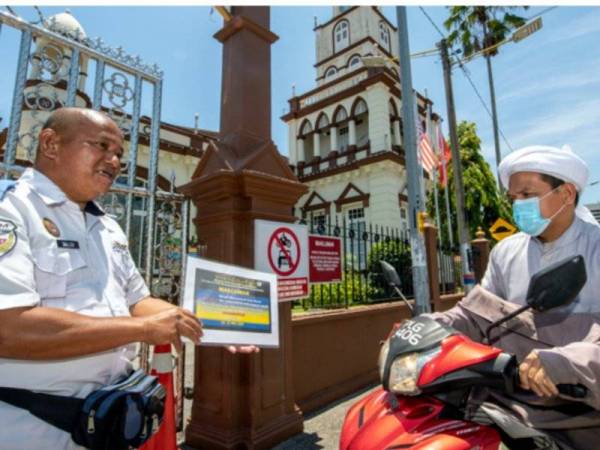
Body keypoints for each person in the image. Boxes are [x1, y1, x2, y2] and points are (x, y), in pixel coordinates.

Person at [0, 108, 207, 450]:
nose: (113, 161)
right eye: (101, 146)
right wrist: (142, 330)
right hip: (29, 428)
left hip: (107, 420)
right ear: (50, 144)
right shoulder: (12, 209)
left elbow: (137, 301)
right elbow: (8, 327)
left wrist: (208, 323)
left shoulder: (106, 226)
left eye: (119, 155)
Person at [424, 145, 600, 449]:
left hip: (584, 415)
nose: (518, 206)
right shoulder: (506, 252)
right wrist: (425, 328)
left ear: (567, 194)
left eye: (528, 195)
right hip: (511, 404)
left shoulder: (595, 248)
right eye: (514, 198)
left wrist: (566, 361)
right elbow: (476, 314)